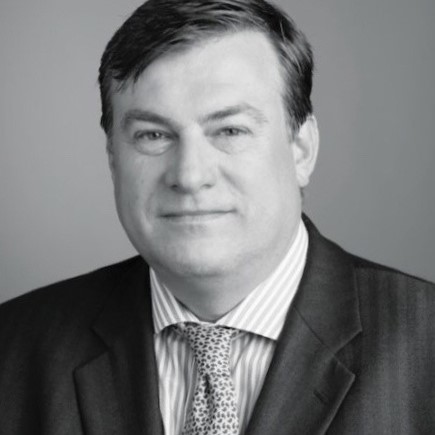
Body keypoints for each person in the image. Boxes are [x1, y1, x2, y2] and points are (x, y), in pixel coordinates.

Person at [0, 0, 434, 433]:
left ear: (302, 150)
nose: (190, 175)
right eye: (153, 135)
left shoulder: (425, 342)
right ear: (113, 158)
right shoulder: (14, 348)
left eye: (229, 130)